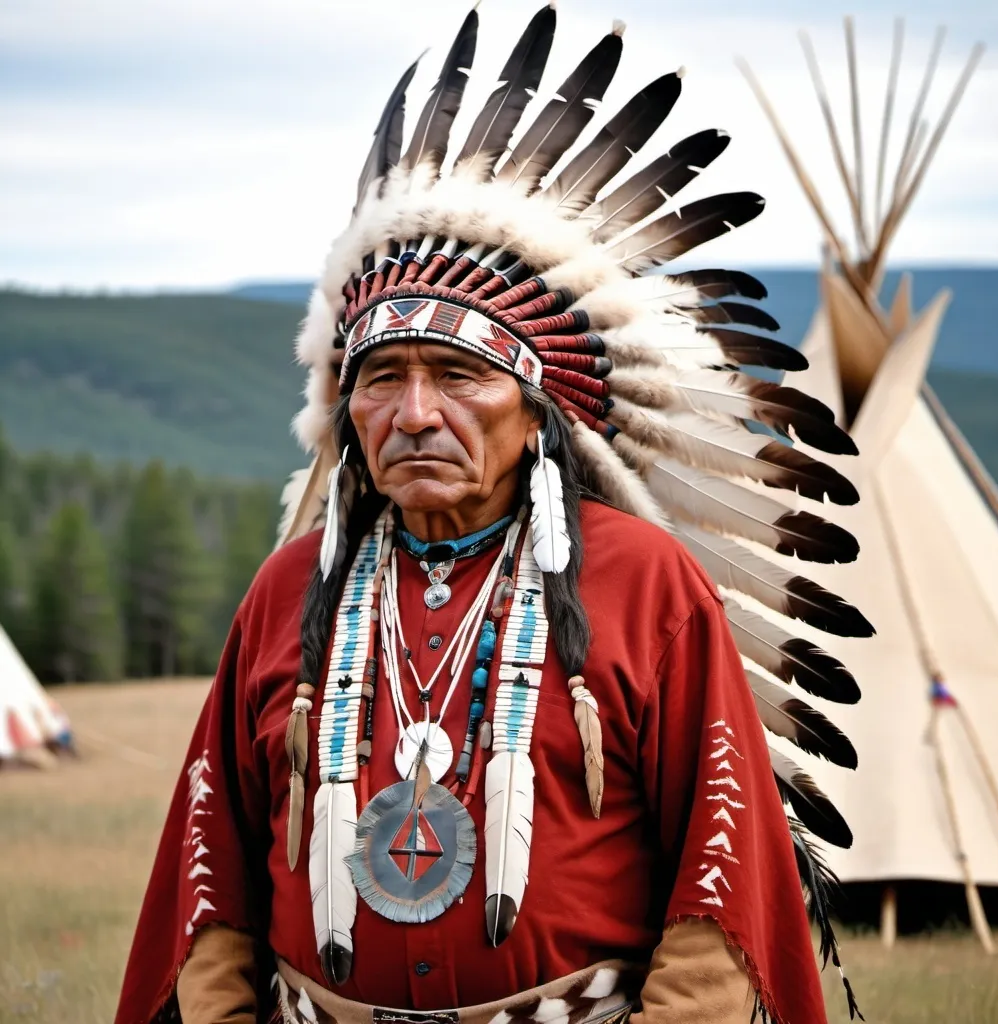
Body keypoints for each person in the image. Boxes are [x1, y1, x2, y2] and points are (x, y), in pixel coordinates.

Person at [116, 6, 872, 1023]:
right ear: (345, 407)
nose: (416, 412)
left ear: (536, 414)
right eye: (381, 377)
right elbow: (214, 880)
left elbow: (717, 876)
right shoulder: (292, 590)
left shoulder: (642, 584)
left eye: (458, 376)